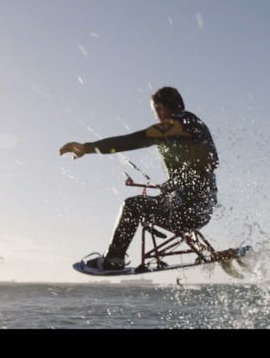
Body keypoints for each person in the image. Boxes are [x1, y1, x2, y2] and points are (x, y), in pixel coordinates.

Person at [59, 86, 219, 272]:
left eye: (156, 110)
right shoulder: (196, 124)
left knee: (132, 206)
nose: (156, 116)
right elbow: (204, 164)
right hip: (203, 210)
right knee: (154, 201)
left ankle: (113, 260)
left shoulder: (175, 126)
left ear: (161, 108)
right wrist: (174, 184)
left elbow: (132, 140)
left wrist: (87, 148)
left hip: (186, 211)